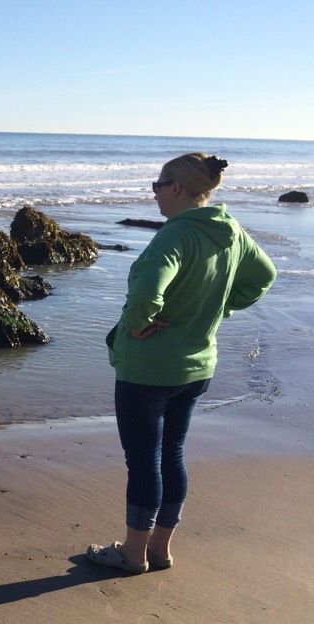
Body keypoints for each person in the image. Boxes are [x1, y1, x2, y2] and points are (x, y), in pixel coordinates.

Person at [88, 153, 276, 574]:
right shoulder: (230, 232)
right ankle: (160, 548)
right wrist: (219, 308)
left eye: (158, 184)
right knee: (171, 453)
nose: (154, 192)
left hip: (149, 370)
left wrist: (138, 325)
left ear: (176, 188)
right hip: (197, 367)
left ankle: (132, 553)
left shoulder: (173, 237)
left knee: (143, 459)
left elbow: (144, 296)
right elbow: (264, 276)